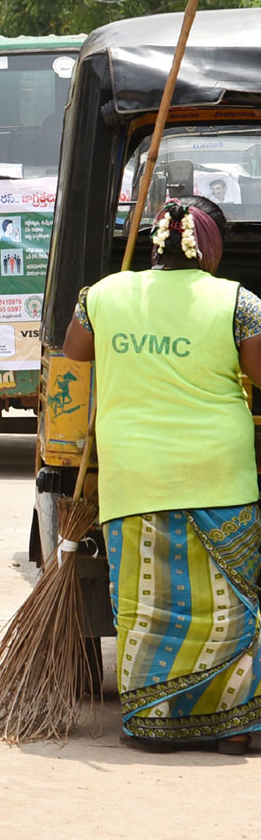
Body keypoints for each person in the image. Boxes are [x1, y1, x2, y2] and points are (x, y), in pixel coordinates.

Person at [63, 195, 261, 754]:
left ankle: (154, 725)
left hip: (135, 479)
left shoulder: (102, 296)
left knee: (146, 608)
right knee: (232, 606)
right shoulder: (238, 303)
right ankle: (235, 725)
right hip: (218, 477)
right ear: (211, 249)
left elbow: (76, 353)